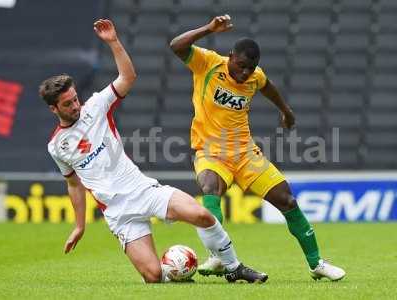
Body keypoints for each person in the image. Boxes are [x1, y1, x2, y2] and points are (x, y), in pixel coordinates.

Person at [40, 19, 267, 284]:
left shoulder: (96, 106)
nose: (76, 106)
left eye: (75, 99)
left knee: (201, 215)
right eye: (68, 104)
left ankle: (233, 267)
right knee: (153, 276)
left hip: (142, 190)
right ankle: (176, 272)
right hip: (118, 213)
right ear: (54, 109)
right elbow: (74, 185)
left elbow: (127, 77)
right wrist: (79, 225)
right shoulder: (56, 146)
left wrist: (113, 42)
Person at [169, 14, 346, 281]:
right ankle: (218, 255)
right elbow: (176, 46)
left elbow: (268, 86)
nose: (243, 74)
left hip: (245, 154)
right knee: (209, 187)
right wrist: (208, 28)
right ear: (230, 56)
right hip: (211, 151)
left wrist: (286, 111)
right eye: (240, 66)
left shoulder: (254, 77)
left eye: (249, 69)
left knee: (288, 201)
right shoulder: (208, 63)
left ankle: (316, 263)